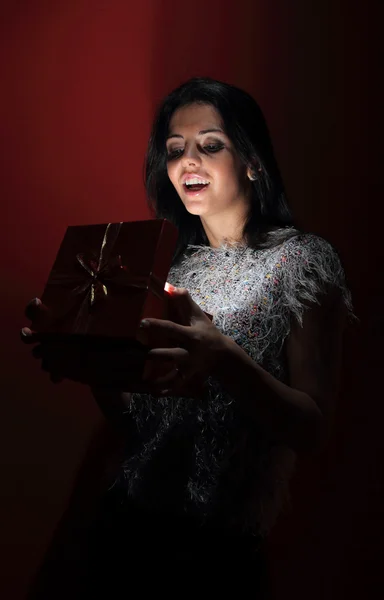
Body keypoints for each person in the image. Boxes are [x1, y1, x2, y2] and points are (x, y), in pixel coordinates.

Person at [21, 77, 354, 599]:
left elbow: (312, 429)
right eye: (176, 150)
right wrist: (91, 363)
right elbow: (139, 425)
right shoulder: (173, 269)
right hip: (123, 534)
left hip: (214, 555)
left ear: (252, 160)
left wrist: (223, 355)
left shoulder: (302, 262)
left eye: (210, 145)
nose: (187, 162)